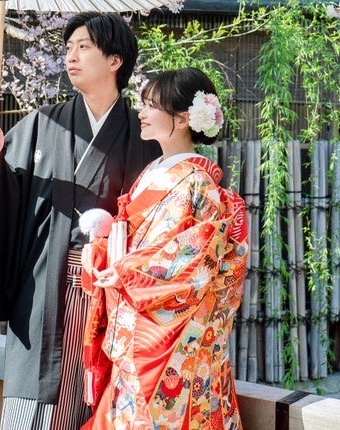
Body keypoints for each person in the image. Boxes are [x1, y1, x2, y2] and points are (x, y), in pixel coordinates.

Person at [0, 11, 161, 430]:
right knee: (32, 398)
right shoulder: (42, 123)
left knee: (98, 399)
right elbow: (6, 203)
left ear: (115, 60)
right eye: (67, 48)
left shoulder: (142, 132)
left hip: (111, 296)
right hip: (43, 287)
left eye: (83, 47)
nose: (70, 57)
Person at [79, 67, 249, 430]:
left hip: (168, 328)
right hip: (133, 315)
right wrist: (105, 249)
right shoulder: (155, 170)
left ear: (184, 118)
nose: (141, 112)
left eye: (151, 105)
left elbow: (191, 256)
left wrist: (125, 269)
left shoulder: (197, 182)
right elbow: (136, 240)